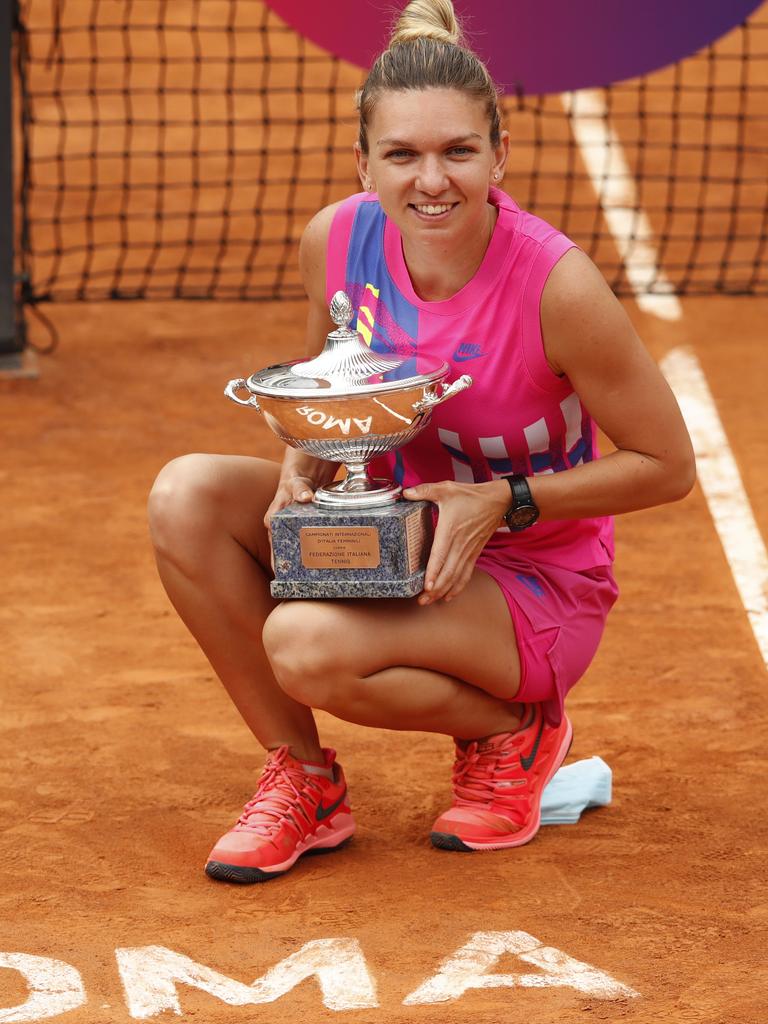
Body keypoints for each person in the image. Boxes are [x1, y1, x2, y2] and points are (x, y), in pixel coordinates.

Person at [148, 0, 695, 883]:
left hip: (533, 579)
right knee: (185, 496)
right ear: (364, 162)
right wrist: (308, 451)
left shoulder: (558, 288)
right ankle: (307, 782)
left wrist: (501, 501)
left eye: (457, 151)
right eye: (401, 155)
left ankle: (516, 730)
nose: (430, 181)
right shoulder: (335, 240)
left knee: (304, 644)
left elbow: (667, 467)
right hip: (397, 533)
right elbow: (342, 376)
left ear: (500, 154)